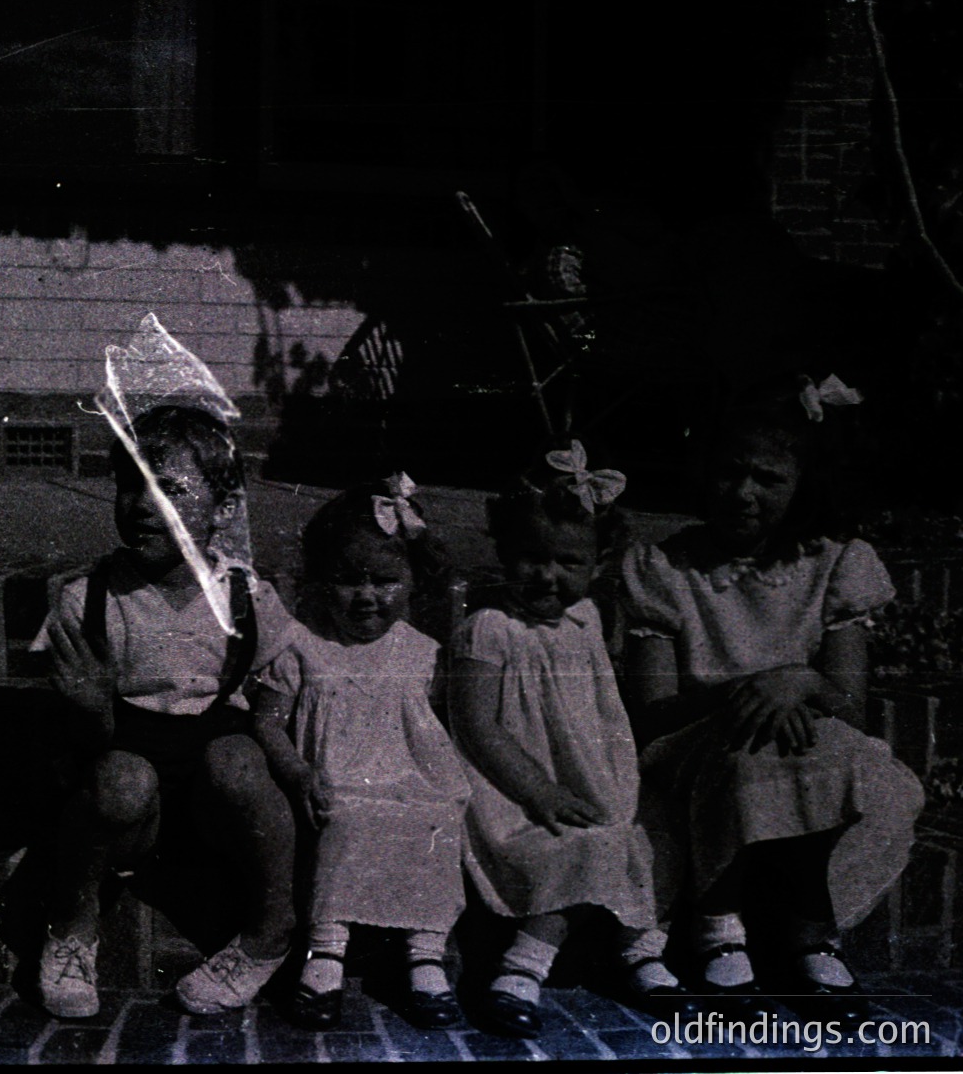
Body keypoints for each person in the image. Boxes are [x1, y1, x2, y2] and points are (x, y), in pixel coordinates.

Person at [619, 373, 923, 1021]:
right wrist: (741, 690)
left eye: (766, 478)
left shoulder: (835, 562)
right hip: (699, 731)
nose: (743, 493)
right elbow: (652, 710)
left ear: (802, 483)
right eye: (730, 472)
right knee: (748, 756)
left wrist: (801, 679)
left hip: (806, 728)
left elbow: (848, 700)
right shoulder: (664, 569)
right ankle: (718, 927)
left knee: (858, 770)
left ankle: (811, 929)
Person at [31, 403, 297, 1019]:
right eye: (131, 486)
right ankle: (72, 926)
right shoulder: (89, 601)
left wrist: (276, 740)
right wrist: (91, 707)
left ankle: (270, 929)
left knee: (238, 760)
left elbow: (288, 674)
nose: (144, 506)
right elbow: (79, 747)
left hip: (210, 793)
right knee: (120, 780)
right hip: (129, 793)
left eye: (171, 489)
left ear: (224, 510)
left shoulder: (246, 599)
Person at [450, 441, 692, 1039]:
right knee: (586, 846)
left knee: (651, 833)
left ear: (597, 563)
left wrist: (611, 771)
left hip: (592, 775)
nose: (549, 576)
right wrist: (539, 789)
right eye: (531, 558)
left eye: (568, 562)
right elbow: (477, 726)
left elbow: (595, 707)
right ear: (504, 550)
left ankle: (642, 947)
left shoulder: (587, 621)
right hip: (516, 791)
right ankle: (523, 966)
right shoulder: (489, 629)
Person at [252, 476, 470, 1031]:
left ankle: (425, 952)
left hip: (412, 776)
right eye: (348, 580)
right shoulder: (303, 645)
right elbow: (266, 721)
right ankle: (325, 950)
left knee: (438, 817)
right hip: (335, 779)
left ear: (414, 582)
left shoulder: (422, 653)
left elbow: (445, 726)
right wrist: (298, 771)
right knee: (344, 820)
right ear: (322, 583)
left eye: (385, 580)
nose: (367, 595)